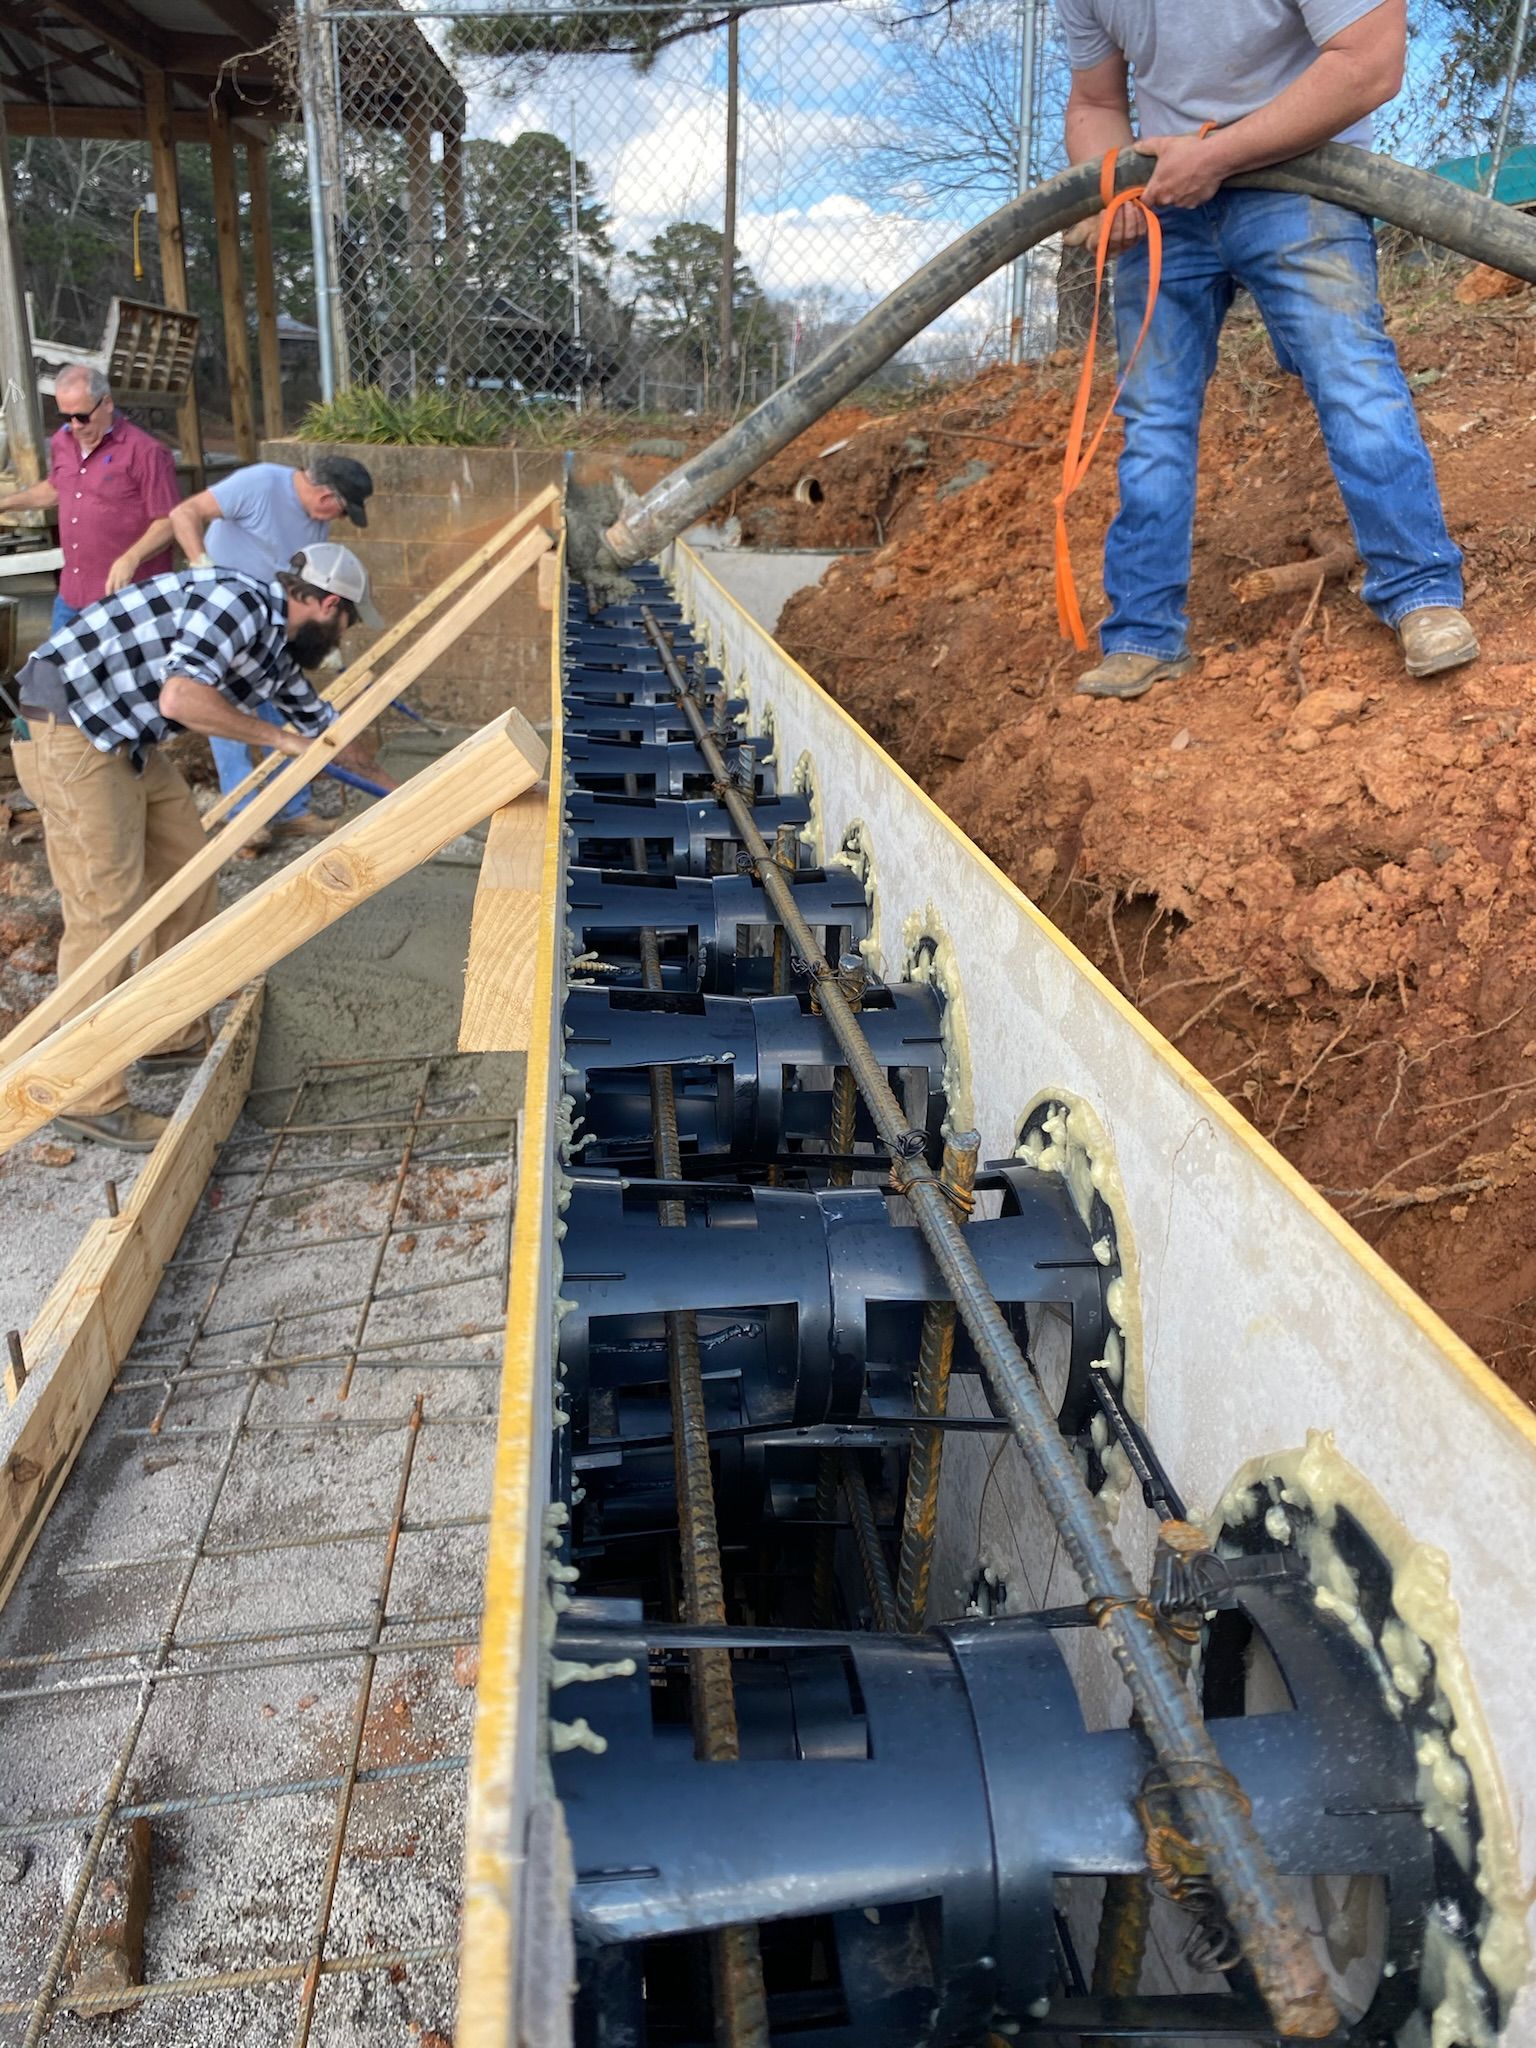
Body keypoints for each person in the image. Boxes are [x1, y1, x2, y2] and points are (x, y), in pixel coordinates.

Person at [1058, 0, 1475, 700]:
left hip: (1301, 176)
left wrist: (1216, 156)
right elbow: (1095, 101)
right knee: (1154, 420)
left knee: (1350, 375)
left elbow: (1370, 63)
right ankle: (1143, 635)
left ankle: (1420, 592)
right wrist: (1113, 189)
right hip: (1166, 200)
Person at [10, 542, 387, 1151]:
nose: (344, 636)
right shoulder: (235, 601)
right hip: (70, 733)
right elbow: (181, 698)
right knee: (105, 912)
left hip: (124, 738)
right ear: (327, 605)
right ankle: (82, 1094)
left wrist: (416, 790)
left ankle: (168, 1035)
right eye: (348, 621)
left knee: (190, 872)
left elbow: (327, 732)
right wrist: (277, 740)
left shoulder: (272, 648)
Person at [151, 455, 376, 840]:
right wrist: (203, 569)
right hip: (223, 627)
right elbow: (184, 513)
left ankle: (292, 810)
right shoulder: (260, 483)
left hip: (274, 630)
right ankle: (245, 821)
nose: (339, 519)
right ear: (327, 496)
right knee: (224, 717)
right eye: (342, 511)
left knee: (287, 718)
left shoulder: (317, 521)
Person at [0, 366, 180, 631]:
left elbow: (169, 520)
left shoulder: (146, 452)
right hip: (72, 595)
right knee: (56, 659)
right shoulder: (63, 441)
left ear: (106, 403)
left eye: (82, 417)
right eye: (66, 417)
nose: (75, 425)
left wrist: (131, 557)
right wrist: (5, 503)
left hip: (129, 599)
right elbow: (56, 488)